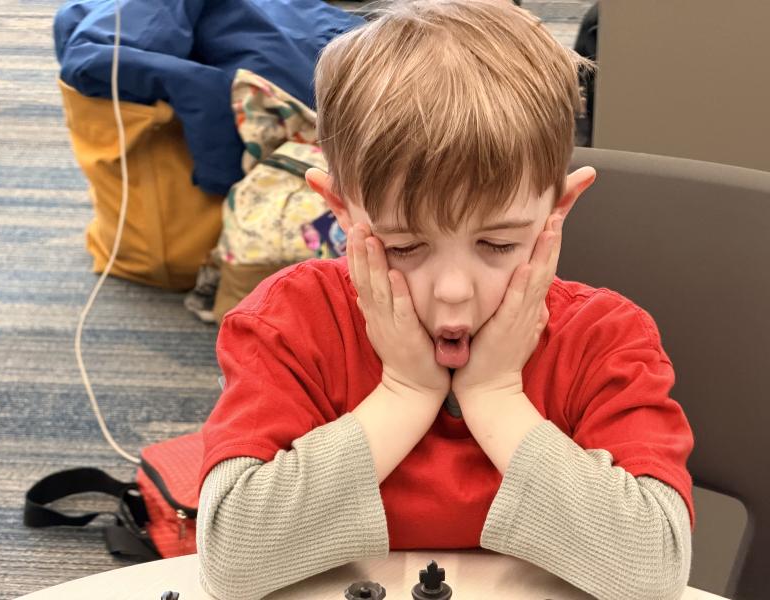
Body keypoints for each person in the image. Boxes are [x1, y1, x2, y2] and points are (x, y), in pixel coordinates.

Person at [197, 2, 694, 599]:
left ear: (556, 211)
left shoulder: (606, 337)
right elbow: (232, 560)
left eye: (498, 243)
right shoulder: (288, 322)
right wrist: (405, 391)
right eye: (404, 247)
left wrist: (495, 396)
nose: (453, 290)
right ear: (341, 210)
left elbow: (653, 573)